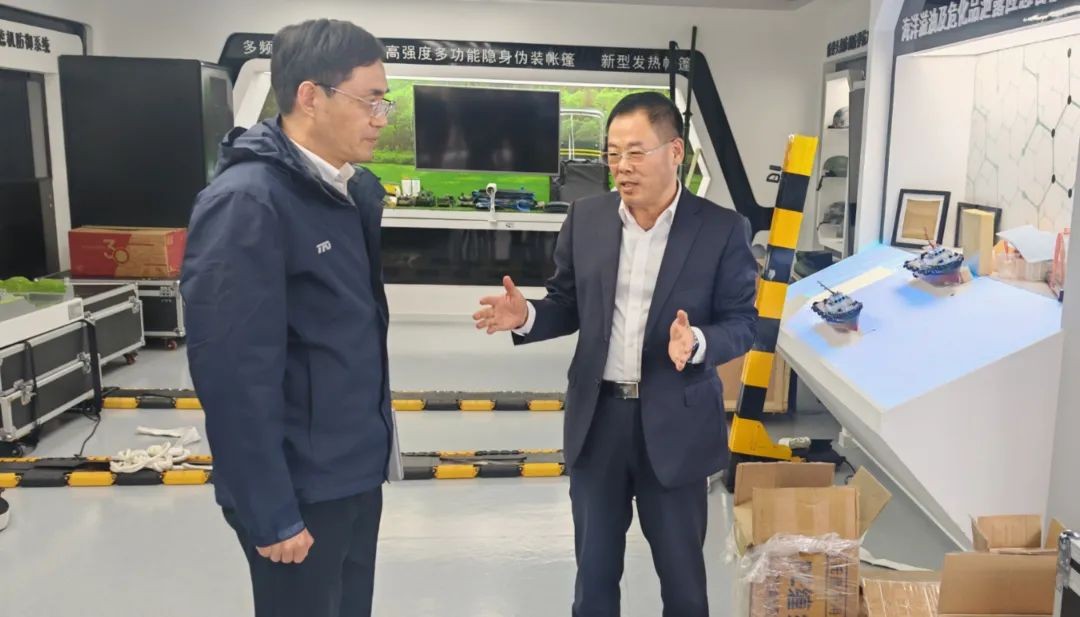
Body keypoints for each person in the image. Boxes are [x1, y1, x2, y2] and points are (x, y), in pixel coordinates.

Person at [473, 91, 758, 616]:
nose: (622, 166)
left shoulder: (721, 230)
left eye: (635, 152)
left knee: (684, 585)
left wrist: (698, 342)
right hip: (598, 421)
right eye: (612, 153)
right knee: (594, 578)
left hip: (675, 425)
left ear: (676, 152)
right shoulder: (587, 218)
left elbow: (744, 323)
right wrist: (528, 316)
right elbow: (567, 304)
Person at [180, 19, 399, 617]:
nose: (381, 118)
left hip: (351, 473)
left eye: (384, 101)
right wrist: (270, 511)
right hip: (300, 491)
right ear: (310, 96)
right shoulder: (249, 203)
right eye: (370, 100)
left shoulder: (345, 191)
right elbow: (232, 375)